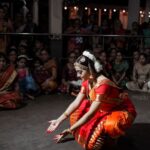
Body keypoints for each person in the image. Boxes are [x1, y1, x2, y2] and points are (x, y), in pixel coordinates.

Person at [46, 50, 137, 150]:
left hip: (119, 110)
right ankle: (105, 134)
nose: (77, 75)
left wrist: (70, 129)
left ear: (90, 69)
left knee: (107, 130)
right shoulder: (87, 81)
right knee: (76, 113)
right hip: (101, 109)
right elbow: (76, 102)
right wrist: (59, 120)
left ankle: (113, 136)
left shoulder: (103, 84)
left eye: (80, 72)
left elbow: (91, 113)